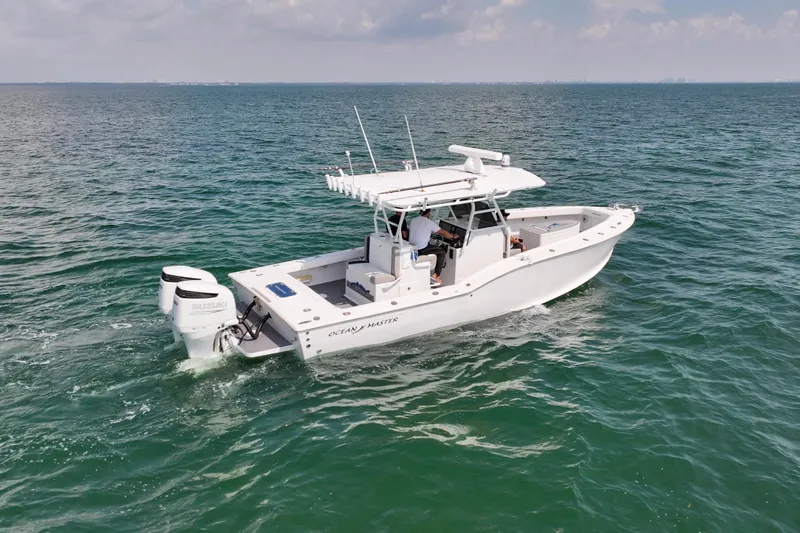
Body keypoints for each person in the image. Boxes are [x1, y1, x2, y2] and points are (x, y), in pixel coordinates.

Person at [409, 209, 458, 283]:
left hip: (412, 248)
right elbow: (442, 232)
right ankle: (436, 275)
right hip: (421, 249)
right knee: (441, 252)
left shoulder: (413, 220)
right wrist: (452, 236)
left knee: (431, 246)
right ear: (428, 213)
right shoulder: (429, 223)